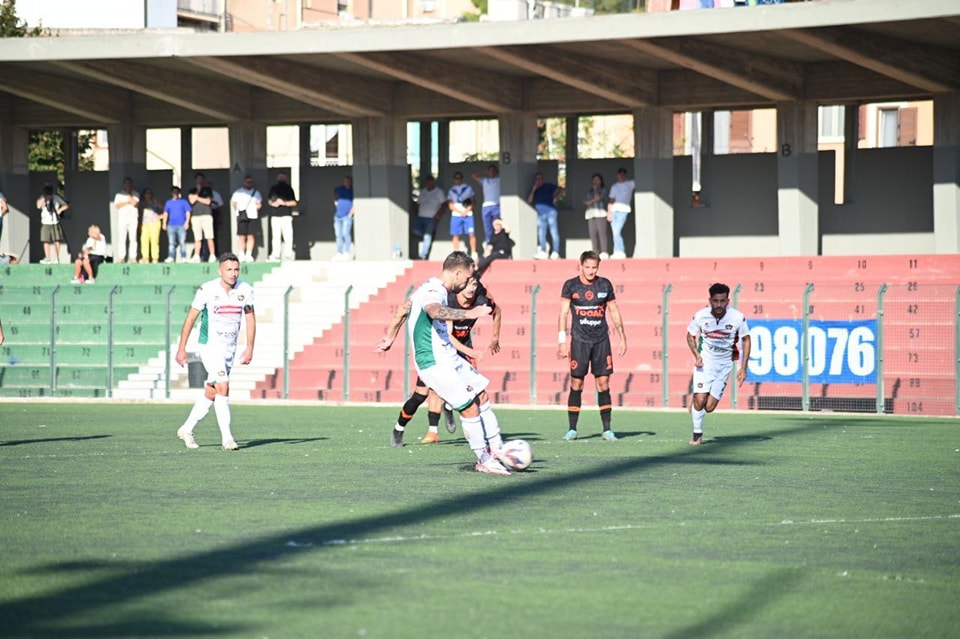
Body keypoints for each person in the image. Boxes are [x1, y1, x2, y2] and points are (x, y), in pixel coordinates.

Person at [375, 251, 511, 475]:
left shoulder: (428, 288)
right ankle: (484, 459)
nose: (469, 282)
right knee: (469, 408)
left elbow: (402, 310)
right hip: (434, 363)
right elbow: (435, 311)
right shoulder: (432, 291)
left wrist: (390, 336)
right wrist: (471, 313)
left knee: (482, 395)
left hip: (449, 356)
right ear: (457, 273)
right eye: (467, 277)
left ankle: (498, 449)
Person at [175, 253, 256, 451]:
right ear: (220, 270)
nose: (233, 273)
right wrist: (181, 347)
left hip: (229, 349)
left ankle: (186, 429)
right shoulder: (207, 290)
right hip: (210, 346)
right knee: (223, 386)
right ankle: (227, 438)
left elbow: (250, 318)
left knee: (212, 391)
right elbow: (190, 318)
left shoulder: (245, 290)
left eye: (236, 269)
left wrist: (250, 347)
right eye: (229, 269)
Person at [558, 250, 627, 442]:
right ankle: (572, 429)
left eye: (594, 267)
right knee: (576, 384)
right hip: (579, 341)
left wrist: (622, 337)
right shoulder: (570, 285)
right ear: (580, 265)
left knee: (603, 384)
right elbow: (563, 314)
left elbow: (614, 310)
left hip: (601, 341)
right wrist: (561, 341)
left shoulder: (604, 284)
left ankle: (607, 430)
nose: (590, 271)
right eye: (587, 267)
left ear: (598, 267)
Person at [686, 282, 751, 445]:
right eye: (715, 301)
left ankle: (696, 402)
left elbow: (746, 339)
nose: (719, 305)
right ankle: (697, 434)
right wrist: (696, 355)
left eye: (722, 301)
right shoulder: (701, 315)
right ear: (710, 300)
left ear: (728, 301)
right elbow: (690, 335)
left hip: (724, 365)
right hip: (705, 363)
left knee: (709, 407)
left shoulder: (737, 317)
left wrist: (743, 367)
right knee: (700, 400)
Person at [528, 172, 562, 260]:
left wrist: (556, 198)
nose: (538, 180)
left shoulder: (548, 186)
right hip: (540, 214)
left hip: (551, 212)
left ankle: (555, 252)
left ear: (542, 179)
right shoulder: (535, 189)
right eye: (537, 179)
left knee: (554, 232)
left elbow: (561, 189)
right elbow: (529, 200)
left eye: (540, 178)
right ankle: (543, 251)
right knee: (541, 233)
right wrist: (533, 189)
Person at [412, 174, 447, 260]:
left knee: (427, 236)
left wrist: (438, 215)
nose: (428, 184)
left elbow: (444, 205)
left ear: (433, 182)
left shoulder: (439, 192)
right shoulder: (423, 191)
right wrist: (416, 212)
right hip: (420, 216)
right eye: (427, 182)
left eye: (430, 182)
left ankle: (422, 255)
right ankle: (428, 235)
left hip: (431, 218)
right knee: (415, 231)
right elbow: (418, 203)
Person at [267, 172, 298, 262]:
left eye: (283, 177)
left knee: (288, 236)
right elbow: (269, 200)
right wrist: (273, 203)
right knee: (275, 236)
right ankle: (275, 255)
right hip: (275, 216)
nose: (281, 178)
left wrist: (284, 203)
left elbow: (294, 202)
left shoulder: (289, 189)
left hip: (286, 216)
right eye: (279, 177)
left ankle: (288, 255)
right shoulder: (273, 189)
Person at [231, 175, 262, 263]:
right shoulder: (238, 192)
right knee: (241, 236)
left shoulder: (256, 192)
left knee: (251, 236)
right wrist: (239, 210)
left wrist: (255, 208)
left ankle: (249, 254)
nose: (249, 184)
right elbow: (234, 203)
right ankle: (241, 254)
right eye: (247, 182)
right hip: (242, 216)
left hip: (252, 216)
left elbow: (259, 203)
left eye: (250, 182)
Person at [447, 171, 478, 260]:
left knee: (471, 233)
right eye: (456, 178)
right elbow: (450, 205)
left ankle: (473, 252)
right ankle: (456, 252)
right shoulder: (451, 190)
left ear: (462, 179)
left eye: (459, 178)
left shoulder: (468, 188)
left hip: (468, 214)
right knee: (455, 234)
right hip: (456, 215)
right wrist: (460, 212)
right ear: (454, 180)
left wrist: (467, 210)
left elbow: (473, 202)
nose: (458, 180)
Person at [606, 167, 635, 259]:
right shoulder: (614, 186)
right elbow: (611, 200)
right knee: (615, 232)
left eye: (623, 174)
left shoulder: (630, 184)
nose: (621, 176)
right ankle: (616, 251)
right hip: (614, 211)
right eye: (620, 174)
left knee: (617, 231)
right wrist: (609, 212)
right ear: (617, 175)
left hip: (624, 211)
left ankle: (621, 251)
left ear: (625, 175)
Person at [36, 183, 69, 264]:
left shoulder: (56, 198)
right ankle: (47, 257)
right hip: (45, 222)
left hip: (54, 221)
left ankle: (57, 258)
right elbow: (38, 206)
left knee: (56, 239)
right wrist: (44, 198)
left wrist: (60, 210)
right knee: (45, 240)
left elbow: (66, 205)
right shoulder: (42, 197)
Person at [471, 164, 500, 248]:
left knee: (497, 227)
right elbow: (473, 175)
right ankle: (489, 245)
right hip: (486, 207)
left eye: (493, 171)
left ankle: (497, 245)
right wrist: (485, 172)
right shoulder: (484, 180)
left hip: (496, 206)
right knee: (487, 228)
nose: (491, 172)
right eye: (490, 171)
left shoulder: (499, 180)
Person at [188, 179, 217, 263]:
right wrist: (198, 191)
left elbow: (208, 201)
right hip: (196, 216)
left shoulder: (208, 190)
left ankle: (212, 255)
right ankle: (196, 255)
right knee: (197, 237)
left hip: (206, 215)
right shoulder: (192, 190)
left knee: (209, 236)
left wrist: (197, 197)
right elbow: (192, 201)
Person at [112, 177, 140, 263]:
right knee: (122, 238)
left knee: (133, 238)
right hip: (123, 218)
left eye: (129, 184)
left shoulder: (135, 194)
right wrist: (127, 202)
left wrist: (129, 195)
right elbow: (117, 205)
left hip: (133, 218)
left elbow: (135, 203)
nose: (128, 185)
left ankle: (133, 257)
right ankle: (121, 257)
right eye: (126, 184)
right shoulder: (119, 195)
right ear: (124, 185)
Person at [162, 186, 191, 263]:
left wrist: (187, 222)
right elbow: (165, 213)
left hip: (181, 225)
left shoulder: (184, 202)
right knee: (171, 243)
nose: (175, 193)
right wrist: (164, 223)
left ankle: (183, 257)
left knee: (182, 242)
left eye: (176, 192)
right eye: (173, 192)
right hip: (171, 225)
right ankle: (171, 257)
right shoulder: (168, 203)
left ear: (179, 193)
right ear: (171, 193)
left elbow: (188, 212)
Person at [584, 173, 610, 259]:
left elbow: (598, 198)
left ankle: (604, 252)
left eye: (597, 180)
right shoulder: (589, 191)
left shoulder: (604, 190)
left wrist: (595, 191)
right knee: (592, 234)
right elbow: (585, 202)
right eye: (594, 180)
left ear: (601, 181)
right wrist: (592, 200)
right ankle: (595, 253)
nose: (595, 181)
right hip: (591, 214)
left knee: (602, 233)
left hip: (601, 213)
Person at [332, 175, 354, 260]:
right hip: (338, 216)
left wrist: (351, 213)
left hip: (347, 216)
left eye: (348, 181)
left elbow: (356, 201)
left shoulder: (352, 191)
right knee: (338, 235)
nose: (346, 183)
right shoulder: (340, 189)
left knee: (346, 233)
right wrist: (335, 201)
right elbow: (334, 191)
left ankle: (347, 252)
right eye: (345, 181)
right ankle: (339, 252)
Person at [138, 187, 163, 264]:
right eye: (146, 193)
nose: (148, 195)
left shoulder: (155, 201)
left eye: (149, 193)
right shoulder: (141, 203)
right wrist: (139, 224)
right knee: (144, 240)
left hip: (154, 223)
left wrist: (160, 216)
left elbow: (166, 209)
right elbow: (139, 214)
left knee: (154, 240)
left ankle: (155, 258)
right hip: (144, 223)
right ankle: (145, 257)